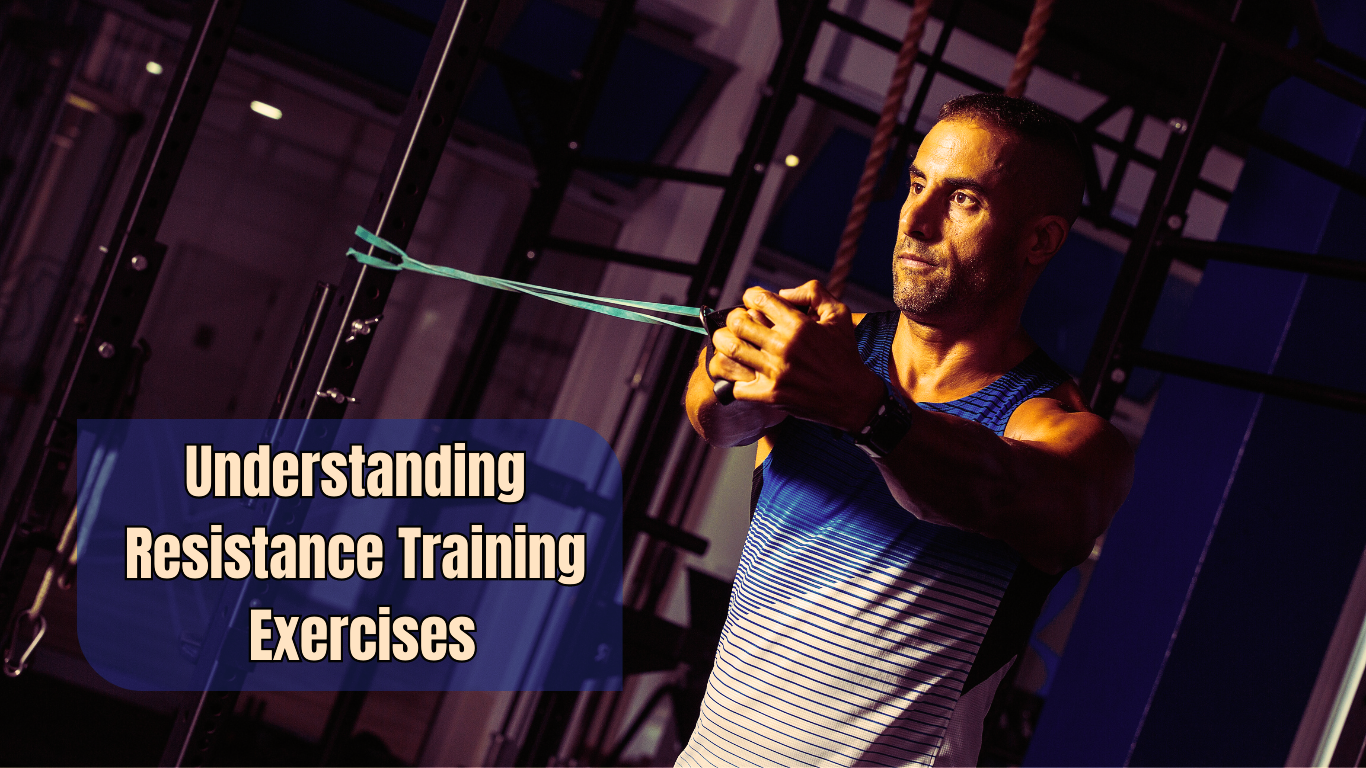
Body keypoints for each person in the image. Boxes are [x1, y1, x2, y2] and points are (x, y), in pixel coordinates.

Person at [675, 93, 1135, 767]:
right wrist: (732, 365)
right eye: (917, 184)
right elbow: (715, 416)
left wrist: (866, 409)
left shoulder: (1060, 429)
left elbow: (1011, 494)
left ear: (1040, 240)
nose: (916, 220)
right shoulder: (825, 351)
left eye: (964, 200)